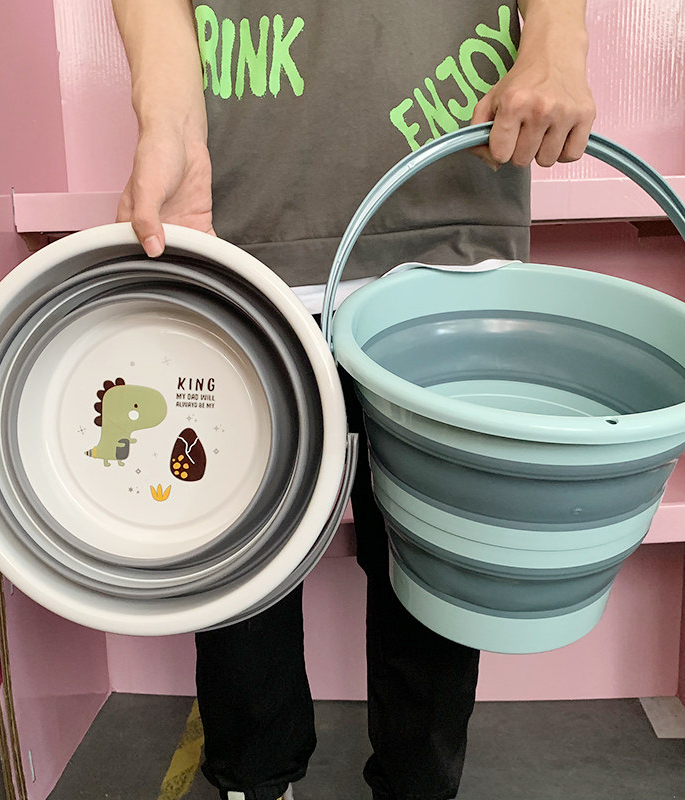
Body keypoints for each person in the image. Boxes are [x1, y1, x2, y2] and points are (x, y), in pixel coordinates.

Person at [110, 2, 595, 799]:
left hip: (448, 211)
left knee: (431, 557)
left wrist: (557, 35)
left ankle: (415, 789)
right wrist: (166, 119)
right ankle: (253, 783)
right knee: (240, 560)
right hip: (245, 221)